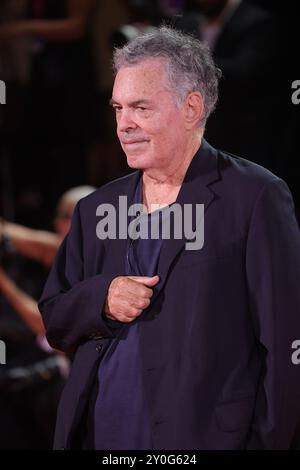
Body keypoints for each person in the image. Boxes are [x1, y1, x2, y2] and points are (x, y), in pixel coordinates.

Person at [39, 26, 300, 450]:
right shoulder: (97, 208)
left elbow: (286, 344)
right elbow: (55, 319)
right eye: (118, 108)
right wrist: (102, 297)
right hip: (102, 434)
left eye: (141, 107)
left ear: (191, 107)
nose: (124, 125)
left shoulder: (255, 197)